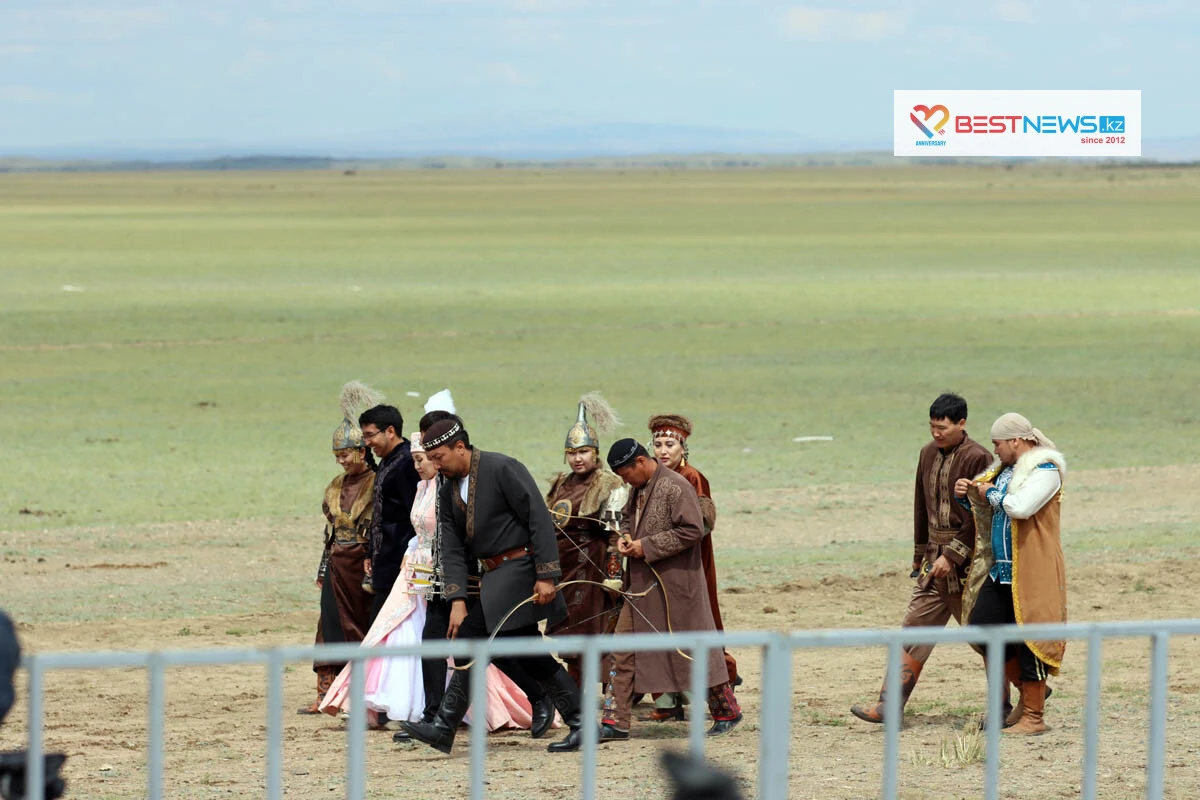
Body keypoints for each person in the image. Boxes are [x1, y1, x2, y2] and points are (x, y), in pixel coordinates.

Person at [320, 430, 538, 733]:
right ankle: (401, 705)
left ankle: (442, 713)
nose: (418, 466)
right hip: (415, 569)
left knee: (442, 640)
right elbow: (418, 531)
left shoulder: (450, 491)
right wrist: (409, 554)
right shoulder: (422, 487)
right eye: (415, 460)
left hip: (442, 571)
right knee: (398, 633)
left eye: (422, 459)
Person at [400, 417, 584, 754]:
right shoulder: (447, 487)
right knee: (528, 651)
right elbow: (451, 547)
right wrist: (457, 599)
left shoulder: (502, 468)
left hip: (521, 571)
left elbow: (539, 519)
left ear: (460, 447)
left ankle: (443, 727)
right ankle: (582, 722)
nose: (436, 465)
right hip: (493, 578)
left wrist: (546, 575)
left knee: (472, 638)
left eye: (439, 457)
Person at [850, 393, 993, 724]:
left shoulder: (979, 458)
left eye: (942, 427)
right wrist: (920, 556)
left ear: (962, 423)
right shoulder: (926, 453)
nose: (936, 433)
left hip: (969, 567)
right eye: (932, 426)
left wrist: (953, 555)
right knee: (913, 629)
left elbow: (982, 516)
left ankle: (1024, 694)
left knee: (985, 635)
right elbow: (921, 506)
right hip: (933, 562)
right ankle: (888, 706)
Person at [599, 439, 742, 741]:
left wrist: (646, 546)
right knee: (622, 648)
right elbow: (628, 517)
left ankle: (727, 710)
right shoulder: (637, 487)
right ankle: (615, 721)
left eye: (626, 474)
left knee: (693, 650)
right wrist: (626, 536)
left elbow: (693, 529)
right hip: (641, 588)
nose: (625, 481)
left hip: (677, 586)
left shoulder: (676, 486)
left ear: (640, 462)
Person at [958, 412, 1068, 736]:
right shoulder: (1006, 470)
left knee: (1030, 639)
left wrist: (990, 493)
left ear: (1016, 441)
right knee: (982, 626)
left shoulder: (1046, 471)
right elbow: (992, 507)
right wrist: (968, 494)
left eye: (998, 444)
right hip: (1002, 571)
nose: (995, 450)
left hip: (1033, 569)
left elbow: (1020, 507)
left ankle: (1034, 716)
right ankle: (1027, 692)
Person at [646, 414, 738, 723]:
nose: (663, 451)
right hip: (660, 560)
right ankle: (668, 701)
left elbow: (702, 524)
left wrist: (666, 539)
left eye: (670, 445)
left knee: (696, 622)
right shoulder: (652, 477)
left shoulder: (692, 476)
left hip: (690, 561)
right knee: (660, 624)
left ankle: (723, 691)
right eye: (658, 444)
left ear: (683, 448)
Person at [298, 381, 380, 715]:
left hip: (362, 565)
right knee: (329, 625)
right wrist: (323, 568)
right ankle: (327, 693)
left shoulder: (377, 482)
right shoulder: (334, 487)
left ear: (361, 451)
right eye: (337, 456)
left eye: (345, 454)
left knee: (360, 626)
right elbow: (330, 533)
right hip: (336, 565)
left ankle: (361, 693)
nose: (341, 461)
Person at [545, 393, 627, 687]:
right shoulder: (561, 483)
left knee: (594, 633)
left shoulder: (608, 484)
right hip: (564, 570)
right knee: (569, 635)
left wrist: (614, 575)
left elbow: (616, 533)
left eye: (583, 452)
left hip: (592, 570)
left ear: (595, 452)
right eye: (572, 452)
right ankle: (575, 692)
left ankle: (610, 695)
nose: (577, 458)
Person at [358, 403, 421, 624]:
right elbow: (381, 512)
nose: (367, 442)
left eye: (370, 435)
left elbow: (416, 516)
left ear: (390, 431)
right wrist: (371, 552)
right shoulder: (388, 460)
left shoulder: (407, 463)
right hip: (385, 559)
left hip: (400, 563)